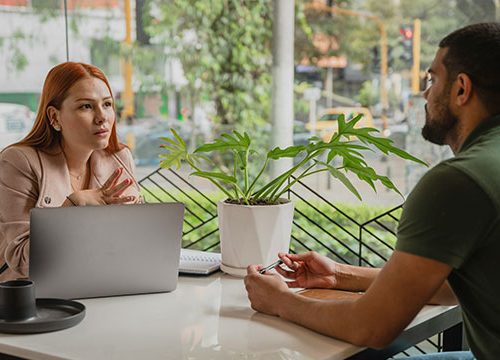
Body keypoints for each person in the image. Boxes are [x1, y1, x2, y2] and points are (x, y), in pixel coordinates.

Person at [245, 22, 500, 360]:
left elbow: (372, 327)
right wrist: (340, 274)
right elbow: (459, 284)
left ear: (461, 89)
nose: (426, 94)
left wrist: (279, 301)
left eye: (432, 80)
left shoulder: (459, 181)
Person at [0, 62, 141, 281]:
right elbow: (21, 261)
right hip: (35, 299)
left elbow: (138, 239)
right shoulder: (19, 162)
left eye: (107, 104)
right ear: (54, 117)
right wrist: (73, 205)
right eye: (86, 106)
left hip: (104, 283)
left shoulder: (119, 159)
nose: (102, 117)